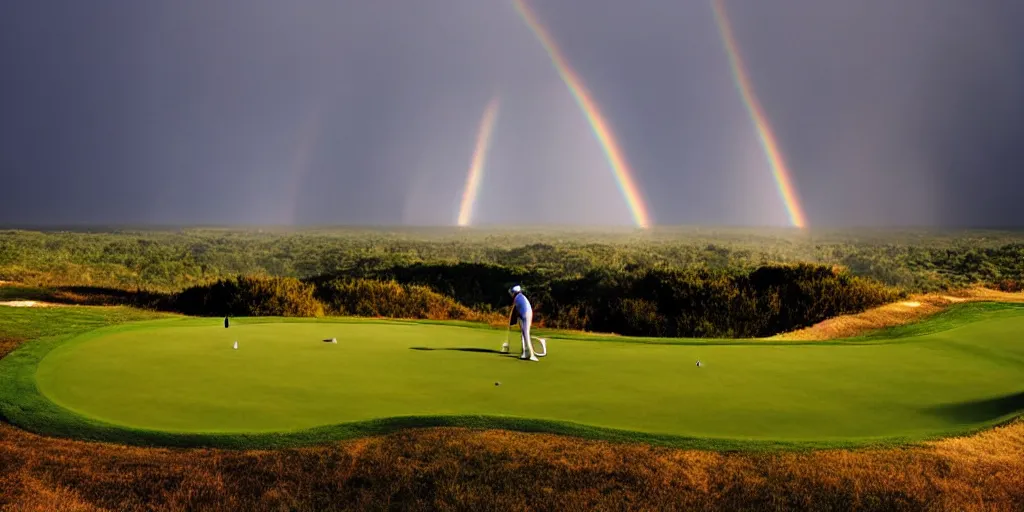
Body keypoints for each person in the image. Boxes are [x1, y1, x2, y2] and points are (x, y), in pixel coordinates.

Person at [508, 285, 538, 361]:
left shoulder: (517, 298)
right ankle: (525, 353)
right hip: (524, 314)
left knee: (526, 333)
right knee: (523, 334)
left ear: (514, 292)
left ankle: (531, 355)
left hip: (526, 314)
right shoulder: (520, 296)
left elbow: (515, 311)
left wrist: (512, 321)